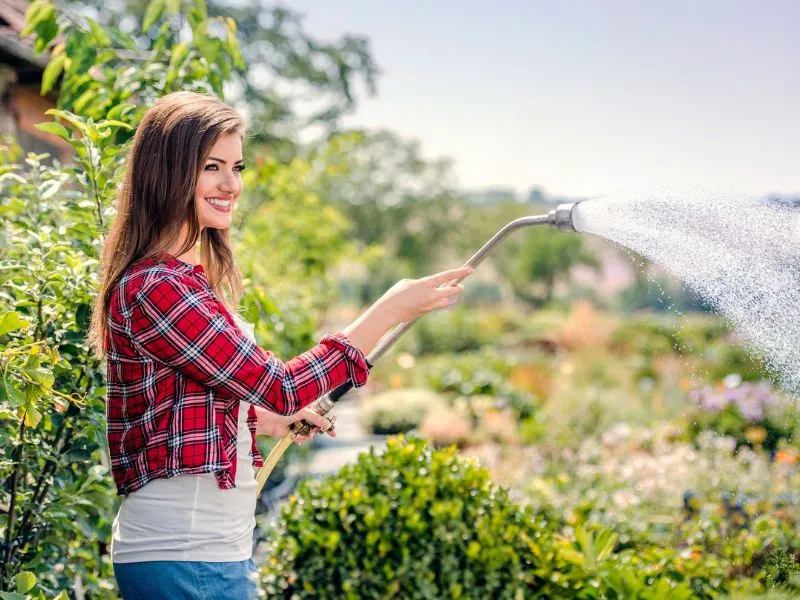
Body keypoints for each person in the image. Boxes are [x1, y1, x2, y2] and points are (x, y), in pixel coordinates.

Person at [87, 91, 470, 599]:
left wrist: (265, 421)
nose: (232, 185)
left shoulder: (181, 279)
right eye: (212, 167)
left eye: (237, 167)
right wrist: (389, 309)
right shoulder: (159, 287)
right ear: (169, 172)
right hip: (187, 558)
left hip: (204, 556)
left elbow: (180, 409)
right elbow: (281, 385)